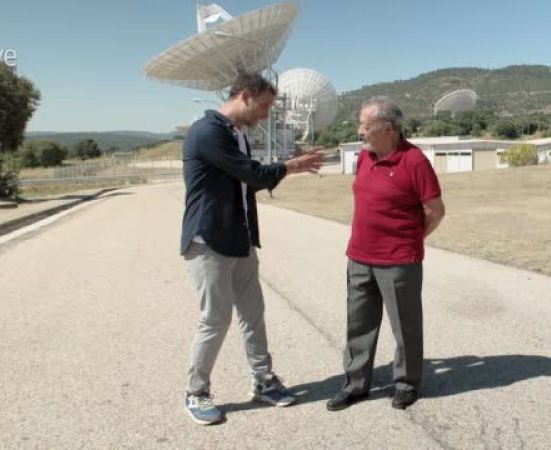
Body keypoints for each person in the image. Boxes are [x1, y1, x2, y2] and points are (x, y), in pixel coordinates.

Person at [180, 71, 324, 425]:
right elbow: (252, 175)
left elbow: (245, 186)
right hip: (209, 241)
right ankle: (196, 392)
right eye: (263, 106)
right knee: (215, 319)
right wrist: (289, 166)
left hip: (240, 239)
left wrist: (282, 170)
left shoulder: (236, 134)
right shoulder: (208, 132)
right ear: (244, 95)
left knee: (253, 316)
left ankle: (263, 380)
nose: (265, 115)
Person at [327, 96, 445, 411]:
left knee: (405, 327)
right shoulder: (364, 158)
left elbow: (435, 209)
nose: (360, 132)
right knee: (358, 325)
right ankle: (355, 385)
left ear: (388, 129)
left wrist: (411, 239)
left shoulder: (415, 161)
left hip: (398, 261)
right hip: (359, 257)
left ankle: (406, 384)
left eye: (365, 126)